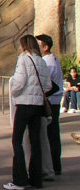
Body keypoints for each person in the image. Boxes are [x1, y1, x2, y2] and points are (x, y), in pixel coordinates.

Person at [5, 34, 51, 190]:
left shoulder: (24, 59)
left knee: (17, 140)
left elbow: (19, 81)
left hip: (24, 103)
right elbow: (48, 86)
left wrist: (14, 93)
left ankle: (20, 179)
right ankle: (36, 179)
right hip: (37, 106)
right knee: (35, 141)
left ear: (24, 45)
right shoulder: (41, 61)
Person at [35, 34, 63, 176]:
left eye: (38, 45)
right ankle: (55, 165)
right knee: (52, 134)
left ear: (45, 47)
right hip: (54, 101)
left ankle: (52, 165)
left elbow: (51, 85)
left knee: (49, 135)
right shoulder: (51, 60)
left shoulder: (47, 62)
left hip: (51, 102)